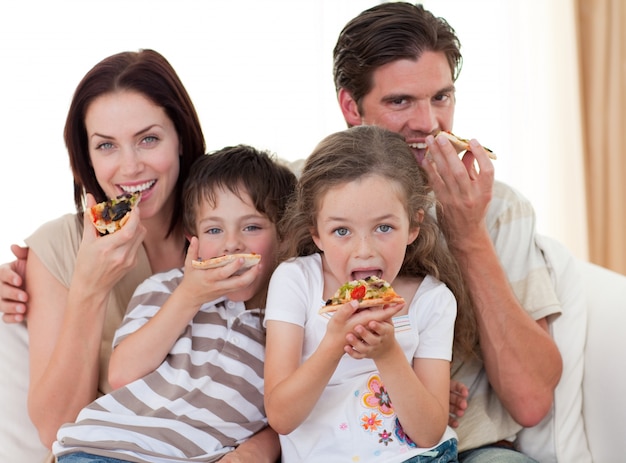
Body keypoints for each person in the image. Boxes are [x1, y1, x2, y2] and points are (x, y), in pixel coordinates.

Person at [331, 3, 562, 461]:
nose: (429, 124)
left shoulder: (498, 208)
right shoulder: (307, 199)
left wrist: (469, 235)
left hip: (472, 448)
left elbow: (531, 399)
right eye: (401, 101)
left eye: (441, 97)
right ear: (351, 107)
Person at [0, 49, 255, 463]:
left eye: (148, 139)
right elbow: (54, 429)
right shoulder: (58, 246)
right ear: (86, 156)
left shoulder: (239, 215)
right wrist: (89, 287)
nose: (130, 167)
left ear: (181, 139)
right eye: (106, 146)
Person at [52, 145, 296, 463]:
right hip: (106, 448)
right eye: (213, 230)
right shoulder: (165, 288)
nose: (231, 243)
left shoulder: (289, 319)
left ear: (285, 237)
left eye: (251, 227)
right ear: (191, 238)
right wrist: (189, 296)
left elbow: (293, 408)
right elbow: (122, 373)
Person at [264, 125, 476, 462]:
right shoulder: (295, 282)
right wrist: (334, 343)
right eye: (342, 231)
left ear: (414, 226)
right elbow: (281, 416)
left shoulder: (432, 301)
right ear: (316, 234)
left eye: (384, 227)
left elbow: (429, 432)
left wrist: (388, 353)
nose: (364, 251)